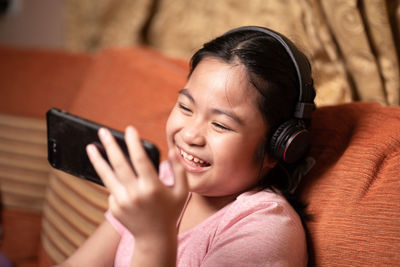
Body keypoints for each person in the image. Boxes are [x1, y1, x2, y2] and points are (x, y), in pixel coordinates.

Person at [57, 26, 316, 267]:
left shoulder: (265, 230)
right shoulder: (166, 177)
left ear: (278, 146)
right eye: (185, 107)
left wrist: (152, 238)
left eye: (221, 125)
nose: (191, 134)